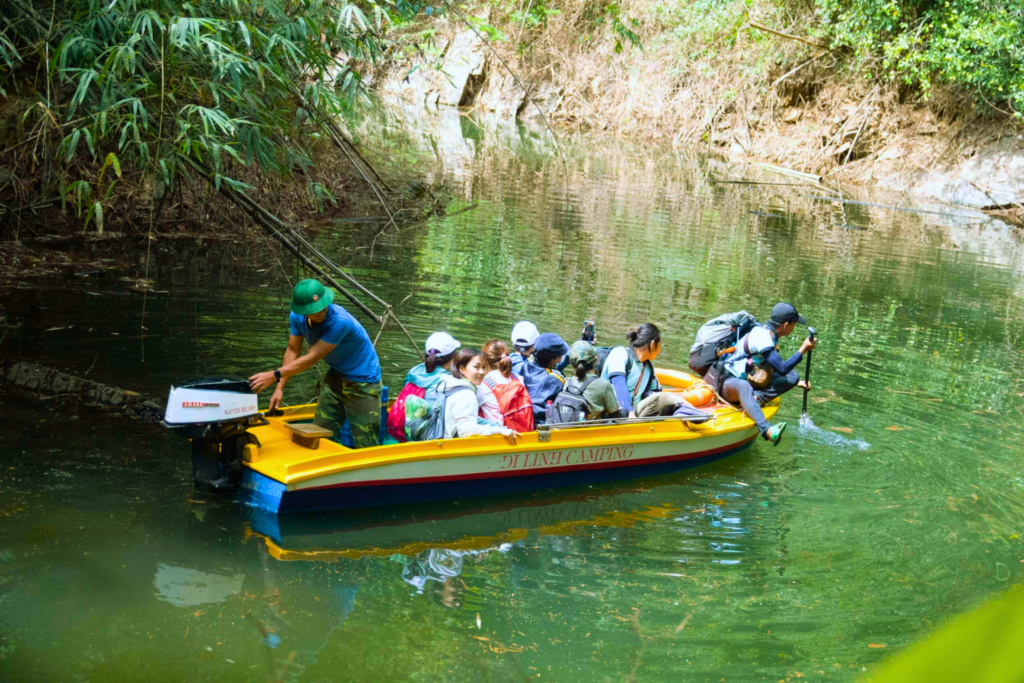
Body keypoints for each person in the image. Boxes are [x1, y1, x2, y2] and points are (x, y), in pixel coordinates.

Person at [249, 279, 382, 449]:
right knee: (319, 435)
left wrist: (274, 375)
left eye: (322, 307)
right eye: (314, 311)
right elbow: (292, 350)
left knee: (366, 444)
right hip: (337, 376)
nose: (321, 313)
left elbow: (312, 357)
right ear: (303, 311)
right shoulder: (297, 316)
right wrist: (279, 387)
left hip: (364, 381)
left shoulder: (339, 321)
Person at [705, 302, 815, 445]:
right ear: (786, 325)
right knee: (744, 386)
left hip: (745, 379)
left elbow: (772, 367)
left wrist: (798, 383)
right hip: (726, 382)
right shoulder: (763, 337)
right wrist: (803, 349)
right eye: (794, 324)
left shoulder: (768, 333)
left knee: (793, 376)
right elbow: (781, 368)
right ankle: (767, 430)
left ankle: (755, 398)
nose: (794, 328)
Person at [420, 335, 519, 444]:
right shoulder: (467, 394)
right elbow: (466, 430)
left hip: (437, 441)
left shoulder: (445, 383)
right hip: (451, 448)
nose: (482, 372)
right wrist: (499, 430)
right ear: (462, 369)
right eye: (476, 367)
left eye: (484, 367)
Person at [600, 323, 663, 417]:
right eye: (659, 345)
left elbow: (657, 394)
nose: (660, 349)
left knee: (666, 399)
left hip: (632, 414)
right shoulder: (620, 354)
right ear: (653, 344)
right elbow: (619, 386)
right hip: (609, 413)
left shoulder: (648, 367)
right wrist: (630, 413)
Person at [477, 339, 534, 432]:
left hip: (499, 437)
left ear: (485, 361)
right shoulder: (519, 379)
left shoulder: (484, 385)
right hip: (523, 435)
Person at [563, 341, 623, 420]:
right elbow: (615, 416)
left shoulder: (568, 382)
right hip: (589, 429)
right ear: (595, 360)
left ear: (571, 363)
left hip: (568, 426)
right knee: (624, 412)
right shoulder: (603, 384)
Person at [519, 332, 569, 424]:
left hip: (524, 416)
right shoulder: (555, 379)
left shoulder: (526, 364)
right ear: (555, 359)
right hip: (541, 423)